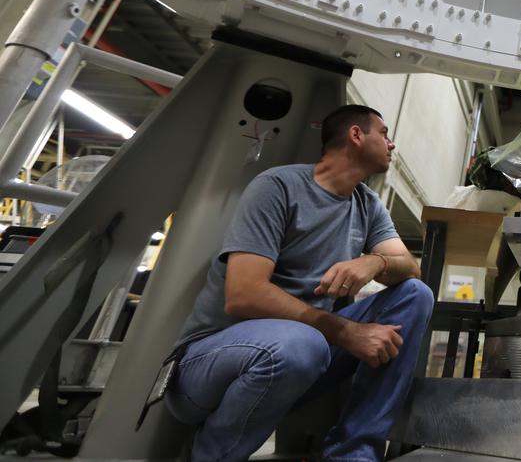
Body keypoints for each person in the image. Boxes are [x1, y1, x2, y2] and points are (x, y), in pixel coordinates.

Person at [165, 105, 434, 462]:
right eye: (384, 133)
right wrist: (346, 332)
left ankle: (355, 453)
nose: (392, 144)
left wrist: (374, 261)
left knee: (415, 295)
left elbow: (410, 269)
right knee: (303, 343)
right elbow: (243, 294)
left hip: (304, 354)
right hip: (208, 367)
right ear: (356, 135)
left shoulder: (366, 204)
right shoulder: (278, 187)